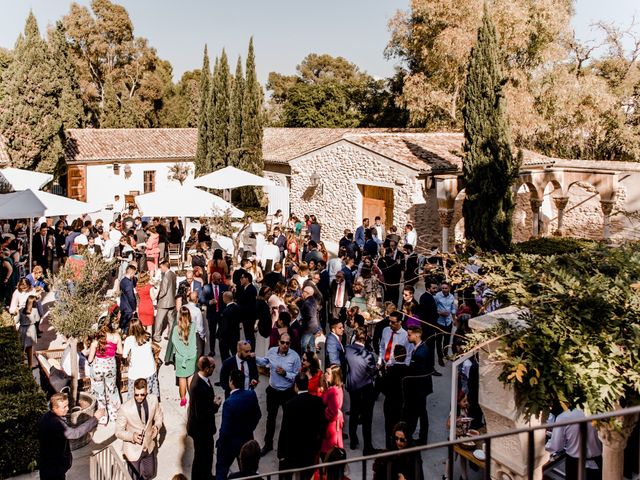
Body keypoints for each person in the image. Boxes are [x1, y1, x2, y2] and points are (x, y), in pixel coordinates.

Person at [38, 393, 105, 480]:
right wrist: (95, 418)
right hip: (54, 469)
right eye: (64, 407)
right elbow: (75, 433)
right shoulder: (55, 423)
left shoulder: (46, 416)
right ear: (54, 408)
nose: (68, 409)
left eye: (67, 405)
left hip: (48, 466)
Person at [256, 332, 301, 456]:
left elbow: (297, 375)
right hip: (273, 391)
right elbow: (265, 361)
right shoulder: (271, 351)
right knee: (271, 418)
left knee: (288, 420)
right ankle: (268, 444)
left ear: (290, 344)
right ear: (278, 342)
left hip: (287, 392)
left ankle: (287, 446)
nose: (285, 345)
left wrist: (285, 374)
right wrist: (254, 357)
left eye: (287, 343)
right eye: (282, 342)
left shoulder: (295, 357)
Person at [278, 373, 326, 479]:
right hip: (310, 448)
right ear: (307, 384)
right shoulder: (317, 402)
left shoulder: (289, 405)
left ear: (296, 385)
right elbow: (322, 425)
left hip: (293, 449)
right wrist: (318, 444)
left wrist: (281, 453)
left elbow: (285, 430)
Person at [216, 370, 262, 480]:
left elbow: (225, 429)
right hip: (246, 439)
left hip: (230, 444)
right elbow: (258, 415)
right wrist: (249, 428)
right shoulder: (251, 394)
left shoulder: (229, 402)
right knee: (248, 471)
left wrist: (220, 443)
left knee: (222, 469)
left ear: (231, 381)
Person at [115, 378, 164, 480]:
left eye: (142, 394)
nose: (139, 397)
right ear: (133, 391)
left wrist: (156, 427)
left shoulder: (153, 400)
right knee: (134, 477)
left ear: (146, 391)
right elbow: (118, 432)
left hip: (149, 446)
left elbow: (159, 416)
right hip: (133, 450)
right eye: (136, 394)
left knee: (150, 473)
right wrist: (132, 436)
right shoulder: (125, 408)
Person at [187, 356, 222, 480]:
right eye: (213, 367)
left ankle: (206, 475)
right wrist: (215, 406)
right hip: (201, 431)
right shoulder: (198, 387)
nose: (214, 369)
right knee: (202, 457)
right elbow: (201, 414)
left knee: (205, 456)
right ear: (206, 369)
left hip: (202, 429)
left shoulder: (202, 379)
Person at [344, 327, 378, 455]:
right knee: (367, 417)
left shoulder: (347, 349)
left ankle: (353, 441)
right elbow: (373, 371)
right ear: (366, 339)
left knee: (354, 413)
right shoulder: (367, 355)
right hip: (366, 388)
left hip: (353, 386)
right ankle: (367, 446)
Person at [546, 408, 603, 480]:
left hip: (574, 465)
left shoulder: (563, 417)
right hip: (597, 462)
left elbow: (556, 447)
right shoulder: (599, 413)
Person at [88, 317, 123, 424]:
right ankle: (115, 415)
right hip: (110, 366)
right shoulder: (116, 336)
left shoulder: (96, 340)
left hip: (98, 368)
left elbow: (90, 359)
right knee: (112, 389)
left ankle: (103, 417)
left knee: (99, 392)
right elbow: (120, 351)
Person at [403, 325, 434, 445]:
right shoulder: (421, 347)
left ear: (417, 335)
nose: (408, 337)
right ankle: (422, 437)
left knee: (419, 412)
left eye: (409, 335)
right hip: (422, 387)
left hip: (419, 388)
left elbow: (417, 373)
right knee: (422, 412)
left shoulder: (420, 352)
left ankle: (419, 437)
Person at [378, 345, 410, 449]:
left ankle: (390, 448)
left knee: (389, 428)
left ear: (395, 356)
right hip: (403, 404)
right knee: (402, 428)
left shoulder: (390, 371)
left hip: (391, 404)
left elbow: (383, 388)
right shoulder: (408, 371)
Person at [123, 319, 159, 398]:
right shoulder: (147, 336)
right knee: (149, 395)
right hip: (150, 370)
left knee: (134, 396)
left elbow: (124, 355)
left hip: (135, 373)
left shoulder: (129, 340)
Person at [172, 306, 197, 407]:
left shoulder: (176, 329)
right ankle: (192, 398)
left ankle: (183, 398)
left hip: (181, 357)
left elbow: (176, 344)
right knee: (190, 377)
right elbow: (194, 341)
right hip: (191, 356)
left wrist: (183, 354)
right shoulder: (193, 326)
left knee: (182, 379)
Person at [200, 271, 228, 356]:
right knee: (212, 333)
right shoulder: (206, 288)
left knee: (223, 332)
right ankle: (212, 350)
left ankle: (223, 349)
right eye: (218, 279)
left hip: (222, 313)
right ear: (213, 279)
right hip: (212, 314)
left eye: (221, 279)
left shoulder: (224, 287)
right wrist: (209, 302)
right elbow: (201, 299)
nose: (220, 280)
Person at [321, 365, 345, 457]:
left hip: (330, 430)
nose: (325, 374)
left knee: (328, 455)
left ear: (335, 376)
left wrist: (323, 410)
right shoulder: (337, 388)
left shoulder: (333, 392)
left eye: (328, 373)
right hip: (334, 428)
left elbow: (333, 414)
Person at [153, 260, 177, 342]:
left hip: (164, 302)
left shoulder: (166, 276)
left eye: (161, 267)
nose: (160, 269)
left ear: (164, 266)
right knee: (171, 320)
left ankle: (157, 336)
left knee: (159, 320)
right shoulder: (173, 274)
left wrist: (157, 297)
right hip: (172, 301)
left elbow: (164, 291)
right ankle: (170, 335)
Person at [434, 281, 456, 366]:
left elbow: (453, 308)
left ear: (449, 288)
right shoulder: (437, 296)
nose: (444, 290)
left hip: (448, 322)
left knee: (447, 340)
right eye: (442, 288)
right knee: (439, 341)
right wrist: (440, 313)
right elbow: (434, 308)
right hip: (439, 322)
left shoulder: (452, 296)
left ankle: (445, 354)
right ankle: (440, 357)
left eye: (446, 288)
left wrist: (454, 319)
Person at [218, 291, 242, 361]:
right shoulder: (237, 307)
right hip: (235, 335)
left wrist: (220, 336)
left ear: (225, 298)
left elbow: (224, 326)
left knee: (225, 356)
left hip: (226, 338)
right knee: (235, 355)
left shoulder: (226, 311)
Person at [236, 271, 258, 348]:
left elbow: (249, 305)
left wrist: (238, 307)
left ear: (247, 279)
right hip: (246, 317)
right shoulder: (245, 289)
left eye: (242, 278)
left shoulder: (251, 289)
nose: (240, 280)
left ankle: (251, 351)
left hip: (249, 317)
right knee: (248, 335)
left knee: (250, 335)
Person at [18, 295, 40, 369]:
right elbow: (37, 319)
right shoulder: (35, 310)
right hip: (31, 329)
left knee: (21, 347)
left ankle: (21, 363)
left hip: (22, 329)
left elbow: (17, 320)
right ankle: (30, 365)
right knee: (30, 348)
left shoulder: (21, 310)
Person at [299, 285, 321, 352]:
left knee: (303, 345)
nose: (302, 293)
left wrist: (302, 319)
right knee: (312, 345)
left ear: (307, 293)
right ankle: (313, 359)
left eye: (303, 292)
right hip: (313, 326)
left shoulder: (307, 303)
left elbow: (310, 314)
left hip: (308, 327)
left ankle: (303, 359)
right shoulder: (313, 300)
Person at [119, 264, 137, 333]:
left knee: (122, 325)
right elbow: (131, 298)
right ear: (132, 272)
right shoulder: (129, 283)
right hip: (128, 308)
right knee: (127, 327)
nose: (134, 275)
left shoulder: (122, 281)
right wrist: (133, 308)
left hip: (123, 306)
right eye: (134, 273)